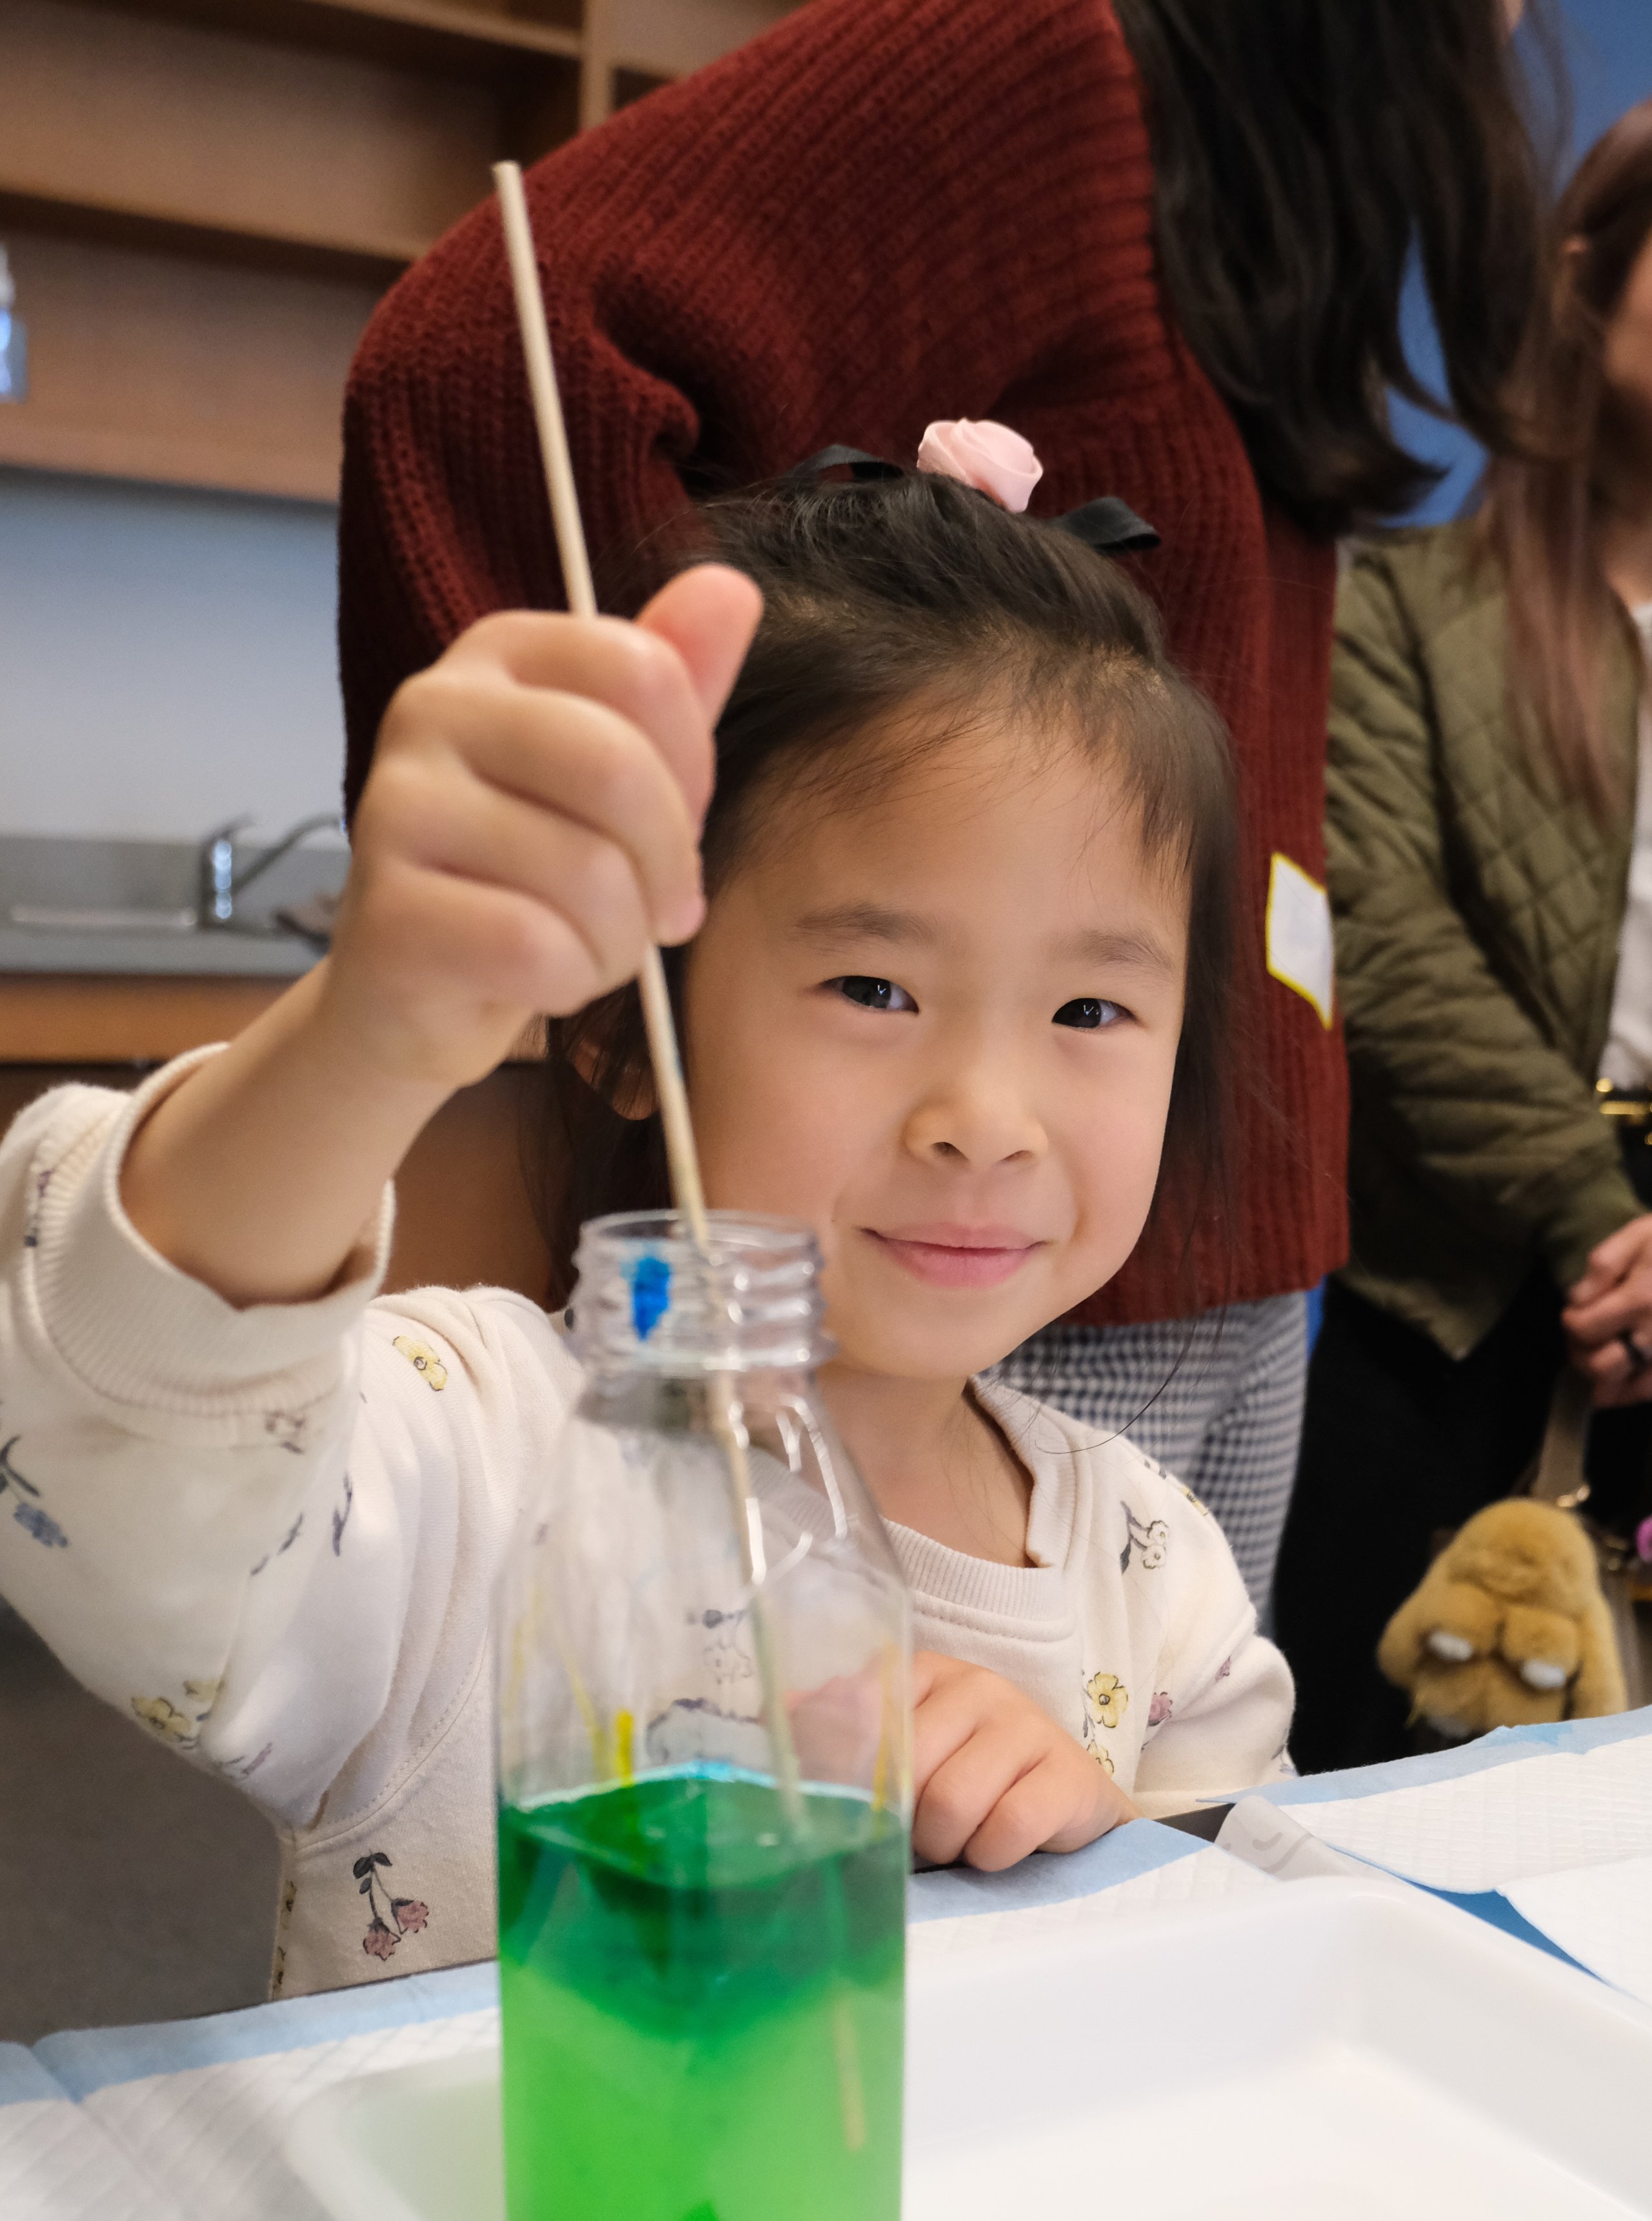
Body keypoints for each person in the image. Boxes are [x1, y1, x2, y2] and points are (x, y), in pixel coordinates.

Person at [0, 456, 1291, 1998]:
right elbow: (122, 1456)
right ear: (624, 1028)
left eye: (1090, 1007)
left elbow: (1241, 1990)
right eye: (873, 989)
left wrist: (1108, 1848)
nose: (986, 1116)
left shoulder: (1159, 1584)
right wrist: (370, 1028)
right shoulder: (476, 1462)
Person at [333, 0, 1556, 1619]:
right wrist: (657, 858)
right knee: (859, 1830)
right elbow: (491, 347)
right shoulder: (1054, 63)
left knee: (1140, 1797)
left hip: (1202, 1238)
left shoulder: (1266, 197)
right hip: (972, 1289)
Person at [1274, 101, 1652, 1774]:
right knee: (1372, 1770)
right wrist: (1593, 1214)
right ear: (1589, 277)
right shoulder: (1409, 603)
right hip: (1445, 1296)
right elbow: (1380, 939)